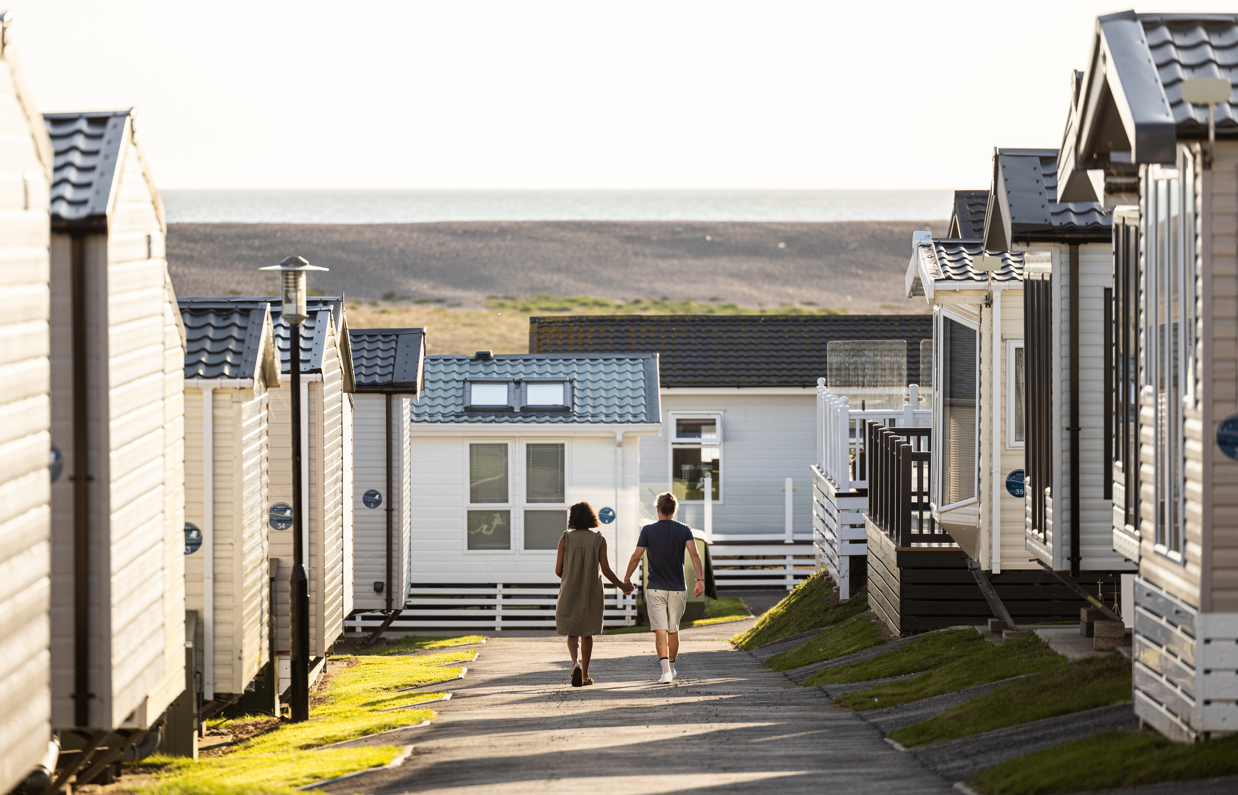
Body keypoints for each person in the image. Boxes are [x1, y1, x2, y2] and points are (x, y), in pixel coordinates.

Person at [623, 492, 704, 684]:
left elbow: (636, 557)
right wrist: (700, 579)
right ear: (674, 510)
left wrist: (626, 578)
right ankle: (673, 668)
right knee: (673, 629)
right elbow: (695, 554)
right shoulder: (684, 529)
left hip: (655, 589)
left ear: (658, 509)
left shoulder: (648, 531)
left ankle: (666, 672)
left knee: (660, 630)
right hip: (677, 587)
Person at [555, 501, 632, 687]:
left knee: (571, 632)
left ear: (572, 518)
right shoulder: (599, 539)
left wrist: (569, 575)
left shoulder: (565, 539)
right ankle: (584, 676)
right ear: (591, 517)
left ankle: (575, 663)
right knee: (586, 632)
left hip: (569, 590)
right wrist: (623, 585)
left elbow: (558, 570)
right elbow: (605, 570)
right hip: (591, 592)